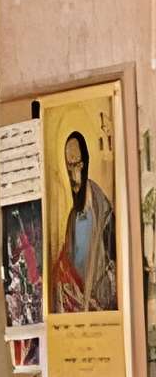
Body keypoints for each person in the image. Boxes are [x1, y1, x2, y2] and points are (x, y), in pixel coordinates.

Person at [53, 130, 121, 316]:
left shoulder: (99, 205)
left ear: (85, 163)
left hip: (99, 298)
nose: (73, 174)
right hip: (77, 297)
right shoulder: (72, 214)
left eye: (77, 164)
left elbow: (112, 256)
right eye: (69, 166)